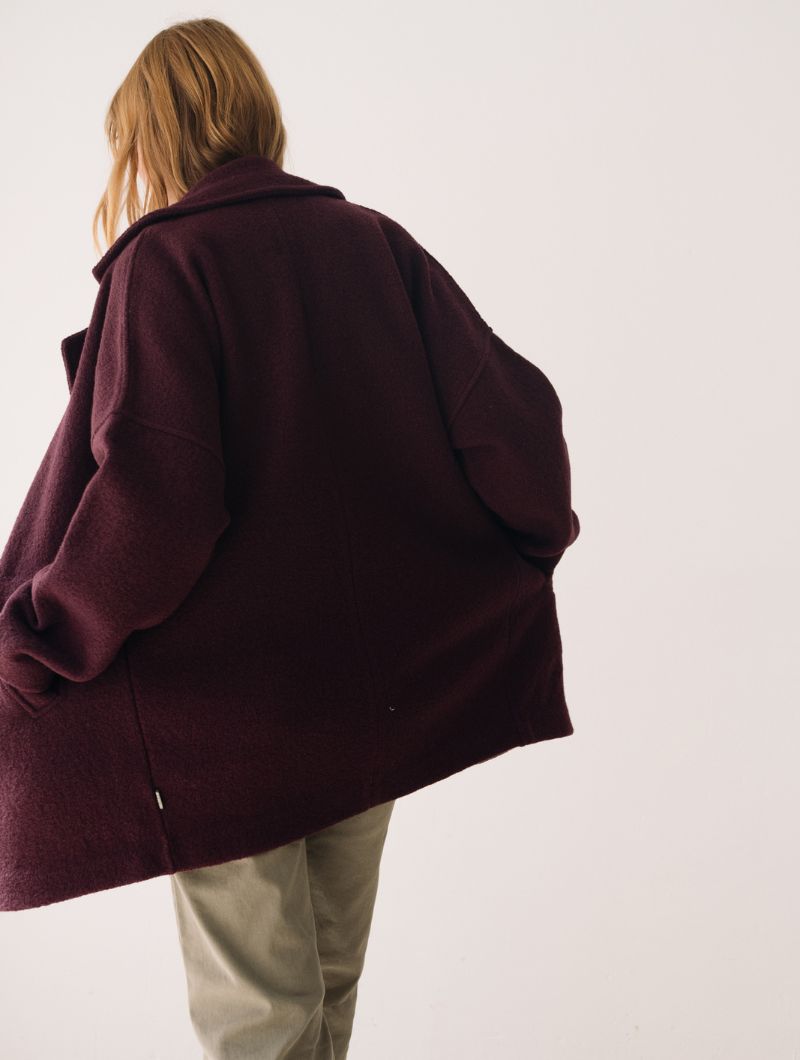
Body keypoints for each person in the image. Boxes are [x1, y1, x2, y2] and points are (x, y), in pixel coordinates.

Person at [0, 16, 580, 1059]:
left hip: (227, 727)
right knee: (321, 999)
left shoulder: (169, 263)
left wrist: (41, 637)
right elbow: (513, 428)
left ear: (149, 138)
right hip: (371, 702)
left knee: (262, 1020)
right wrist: (516, 550)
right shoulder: (374, 243)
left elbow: (157, 502)